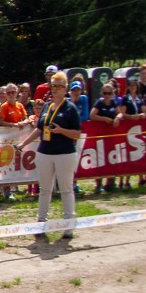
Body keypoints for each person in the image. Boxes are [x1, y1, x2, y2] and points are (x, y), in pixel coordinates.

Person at [29, 75, 83, 242]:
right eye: (53, 85)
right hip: (45, 152)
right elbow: (39, 129)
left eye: (59, 86)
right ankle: (41, 222)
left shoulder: (70, 108)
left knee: (66, 190)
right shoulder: (46, 106)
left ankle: (68, 226)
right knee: (45, 190)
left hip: (65, 153)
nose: (55, 88)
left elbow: (77, 133)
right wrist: (23, 144)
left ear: (65, 89)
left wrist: (61, 131)